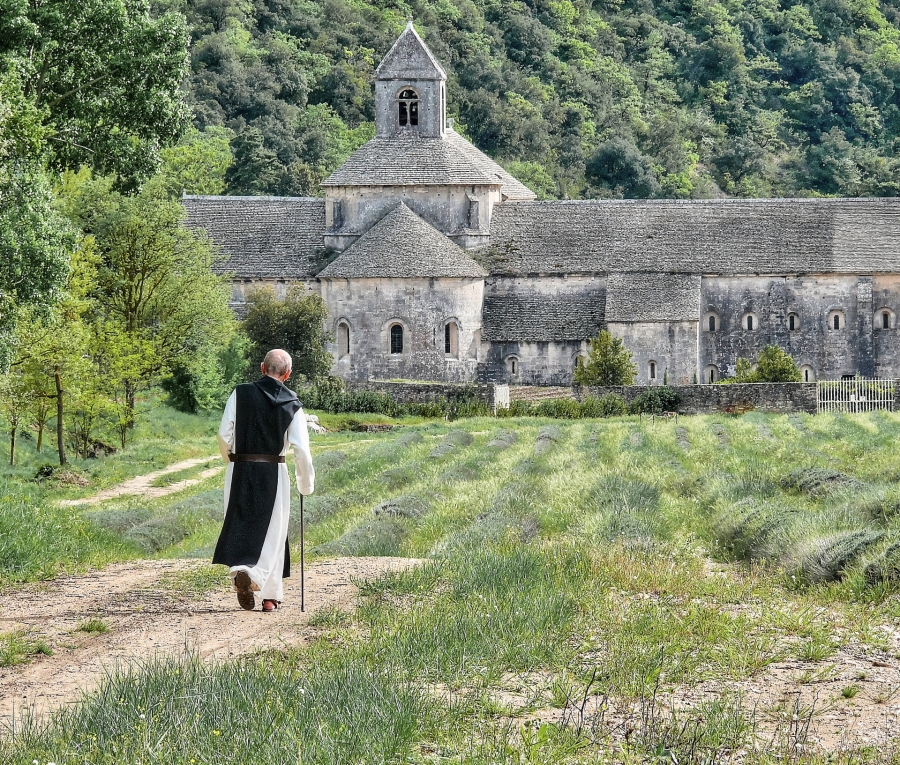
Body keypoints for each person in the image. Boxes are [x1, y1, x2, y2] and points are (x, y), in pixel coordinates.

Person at [213, 349, 315, 612]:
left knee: (241, 523)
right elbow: (301, 449)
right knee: (274, 533)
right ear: (287, 374)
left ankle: (261, 586)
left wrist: (231, 460)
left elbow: (224, 434)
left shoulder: (240, 393)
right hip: (273, 471)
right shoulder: (292, 403)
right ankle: (257, 582)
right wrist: (306, 484)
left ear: (262, 368)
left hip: (239, 469)